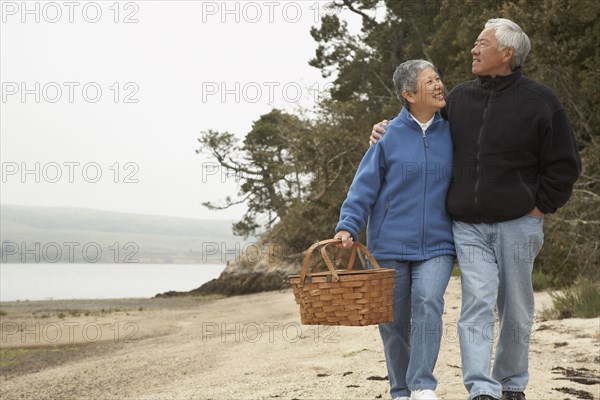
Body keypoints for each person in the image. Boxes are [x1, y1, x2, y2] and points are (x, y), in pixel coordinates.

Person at [370, 18, 581, 400]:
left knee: (516, 308)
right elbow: (421, 126)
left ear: (507, 53)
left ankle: (511, 382)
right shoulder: (461, 99)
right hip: (467, 225)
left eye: (481, 43)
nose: (473, 49)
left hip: (519, 223)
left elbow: (565, 165)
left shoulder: (541, 100)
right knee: (476, 305)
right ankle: (481, 388)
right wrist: (384, 129)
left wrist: (538, 209)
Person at [334, 59, 455, 400]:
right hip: (388, 244)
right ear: (408, 93)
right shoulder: (387, 136)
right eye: (429, 81)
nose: (438, 85)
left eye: (438, 78)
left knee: (429, 302)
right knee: (392, 319)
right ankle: (400, 389)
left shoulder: (454, 131)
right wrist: (348, 226)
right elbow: (363, 188)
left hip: (439, 243)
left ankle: (422, 385)